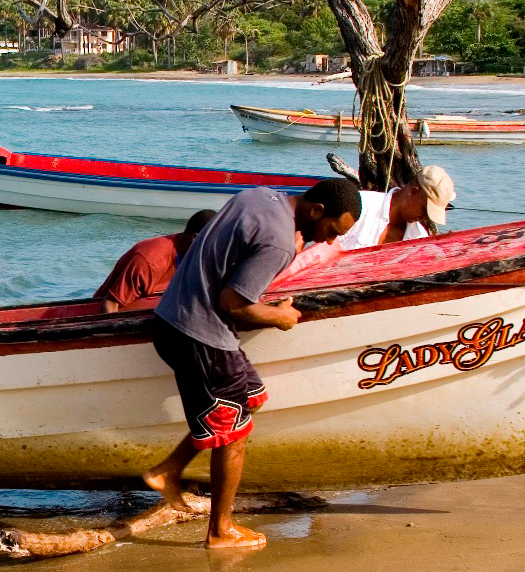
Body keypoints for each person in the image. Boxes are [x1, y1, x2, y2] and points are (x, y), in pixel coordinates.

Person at [141, 179, 361, 549]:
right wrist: (280, 317)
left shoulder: (259, 195)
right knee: (234, 435)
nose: (327, 242)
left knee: (251, 397)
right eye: (329, 232)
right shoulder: (279, 242)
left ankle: (168, 470)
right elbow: (234, 304)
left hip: (174, 320)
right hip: (201, 336)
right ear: (317, 210)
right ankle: (219, 531)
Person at [94, 210, 218, 312]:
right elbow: (109, 306)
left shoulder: (199, 257)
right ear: (195, 239)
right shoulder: (150, 261)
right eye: (216, 243)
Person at [337, 165, 457, 251]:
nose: (425, 218)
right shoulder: (360, 205)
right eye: (425, 210)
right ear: (413, 192)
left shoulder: (418, 237)